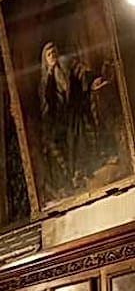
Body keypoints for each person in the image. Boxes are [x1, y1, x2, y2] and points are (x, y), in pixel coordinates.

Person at [39, 40, 115, 194]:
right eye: (49, 54)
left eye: (54, 52)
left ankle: (91, 165)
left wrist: (93, 80)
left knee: (81, 134)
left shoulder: (67, 63)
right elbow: (47, 104)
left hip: (78, 106)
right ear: (45, 59)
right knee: (68, 141)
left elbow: (83, 73)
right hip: (62, 117)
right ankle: (77, 173)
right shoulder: (46, 81)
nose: (52, 56)